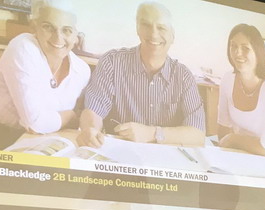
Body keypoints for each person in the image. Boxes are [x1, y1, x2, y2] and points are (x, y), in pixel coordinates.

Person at [0, 0, 90, 150]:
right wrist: (71, 116)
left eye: (67, 30)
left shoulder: (82, 70)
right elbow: (35, 123)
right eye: (48, 27)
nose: (58, 38)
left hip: (39, 140)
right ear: (34, 26)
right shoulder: (22, 47)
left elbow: (46, 124)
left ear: (76, 36)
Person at [77, 2, 205, 148]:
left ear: (172, 36)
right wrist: (90, 129)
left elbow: (198, 135)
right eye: (146, 25)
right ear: (138, 29)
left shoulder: (184, 77)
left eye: (161, 27)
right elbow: (94, 110)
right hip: (118, 155)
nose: (153, 34)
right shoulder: (112, 62)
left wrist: (152, 133)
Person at [217, 24, 265, 156]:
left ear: (258, 53)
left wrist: (234, 139)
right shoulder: (227, 79)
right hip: (236, 154)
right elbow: (223, 129)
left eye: (245, 48)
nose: (238, 53)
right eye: (233, 46)